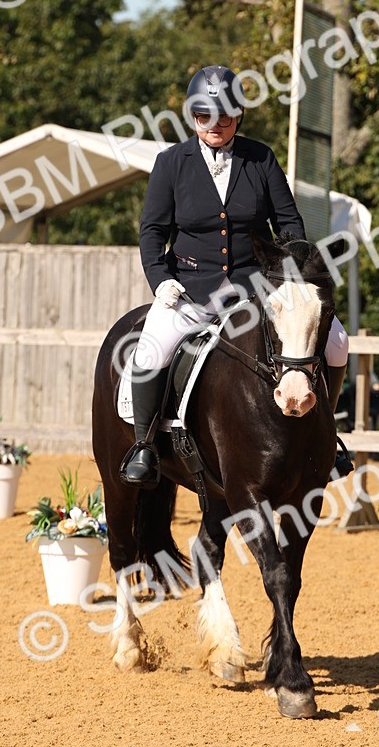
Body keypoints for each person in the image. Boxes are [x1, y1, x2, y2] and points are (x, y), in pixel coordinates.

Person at [121, 64, 351, 486]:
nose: (215, 125)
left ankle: (326, 436)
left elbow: (289, 224)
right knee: (151, 350)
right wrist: (160, 279)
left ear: (238, 117)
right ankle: (145, 446)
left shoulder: (259, 158)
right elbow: (153, 231)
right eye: (205, 116)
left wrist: (293, 276)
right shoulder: (171, 162)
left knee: (336, 341)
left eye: (224, 117)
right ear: (193, 117)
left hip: (255, 287)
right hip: (190, 287)